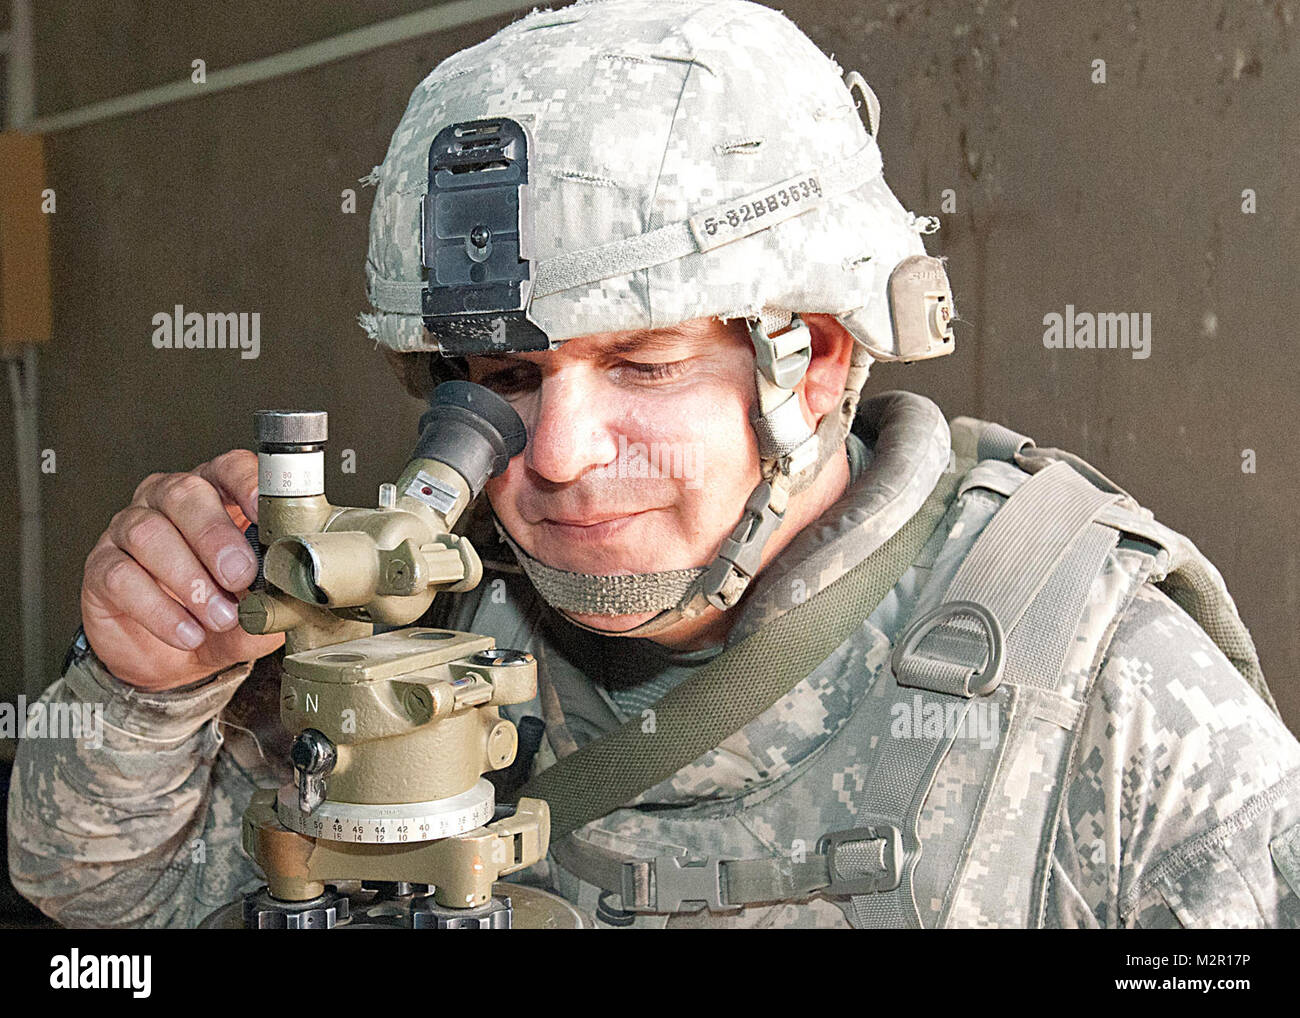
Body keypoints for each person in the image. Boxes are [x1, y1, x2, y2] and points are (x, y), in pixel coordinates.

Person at [9, 0, 1300, 929]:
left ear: (822, 356)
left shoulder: (1103, 685)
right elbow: (101, 902)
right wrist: (141, 684)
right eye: (506, 379)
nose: (558, 457)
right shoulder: (403, 626)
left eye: (644, 362)